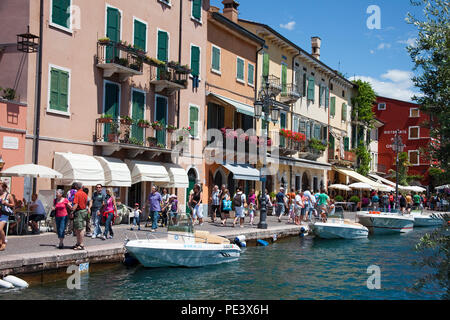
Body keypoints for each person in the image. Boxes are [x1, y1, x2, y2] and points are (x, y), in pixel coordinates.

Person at [71, 182, 89, 250]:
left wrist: (72, 211)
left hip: (79, 212)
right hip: (84, 211)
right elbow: (86, 202)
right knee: (79, 228)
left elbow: (76, 204)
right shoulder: (84, 193)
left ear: (76, 187)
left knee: (80, 229)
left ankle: (81, 244)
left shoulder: (77, 194)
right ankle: (78, 243)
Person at [0, 182, 14, 251]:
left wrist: (6, 203)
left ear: (3, 188)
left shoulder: (8, 195)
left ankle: (4, 242)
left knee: (0, 229)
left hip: (4, 214)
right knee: (1, 230)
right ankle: (1, 240)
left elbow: (13, 205)